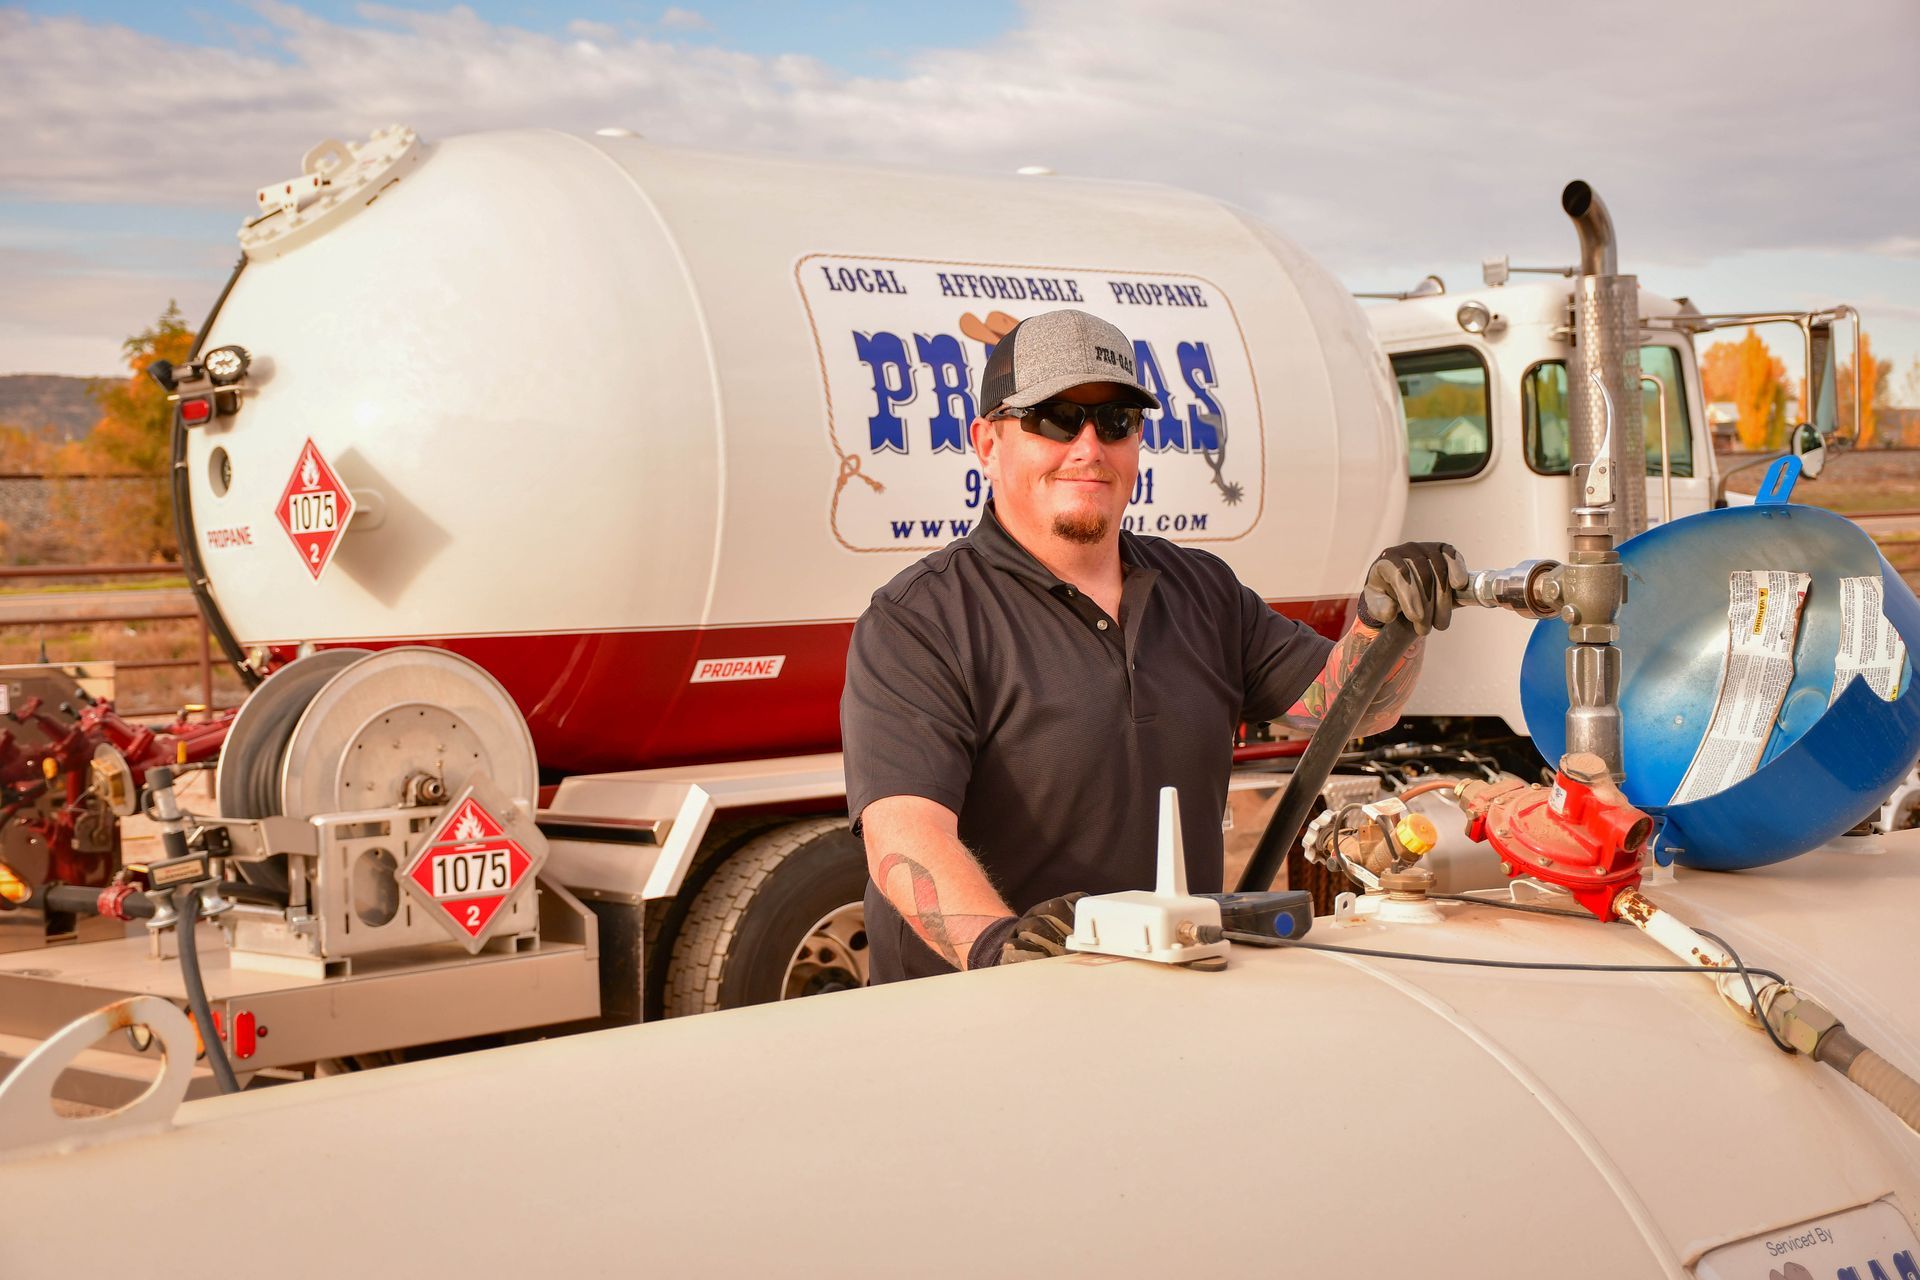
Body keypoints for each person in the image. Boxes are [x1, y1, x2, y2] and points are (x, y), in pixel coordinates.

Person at [841, 309, 1465, 984]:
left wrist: (1390, 620)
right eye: (1054, 418)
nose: (1089, 447)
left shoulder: (1201, 591)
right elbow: (904, 833)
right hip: (974, 1021)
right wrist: (1000, 951)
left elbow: (1351, 711)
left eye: (1115, 422)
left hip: (1164, 999)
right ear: (987, 443)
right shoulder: (920, 620)